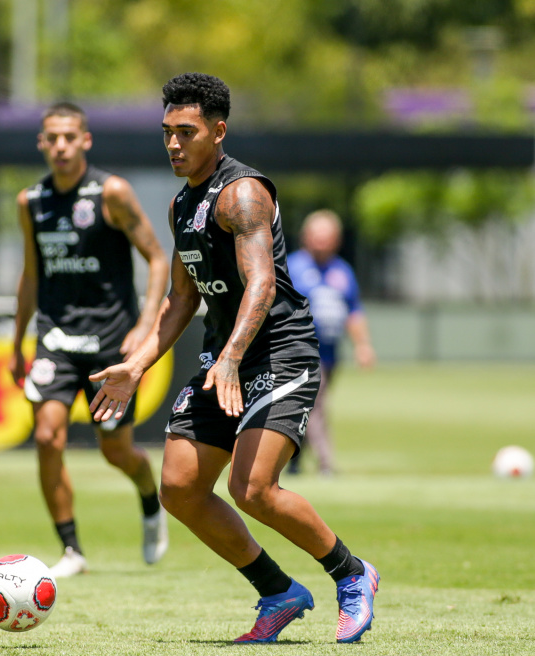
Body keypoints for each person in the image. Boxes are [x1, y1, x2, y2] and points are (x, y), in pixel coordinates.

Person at [88, 73, 379, 643]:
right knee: (179, 488)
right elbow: (180, 298)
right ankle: (277, 591)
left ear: (218, 131)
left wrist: (229, 357)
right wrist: (137, 364)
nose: (173, 144)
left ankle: (352, 575)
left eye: (186, 132)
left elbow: (262, 285)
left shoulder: (242, 192)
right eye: (167, 132)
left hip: (279, 351)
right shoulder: (182, 205)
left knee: (253, 489)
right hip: (224, 359)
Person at [10, 102, 171, 578]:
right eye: (51, 138)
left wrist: (144, 326)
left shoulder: (112, 192)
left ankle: (149, 499)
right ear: (41, 143)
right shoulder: (30, 202)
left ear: (85, 141)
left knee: (115, 452)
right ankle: (71, 551)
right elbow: (31, 275)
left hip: (109, 346)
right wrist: (16, 341)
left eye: (69, 137)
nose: (60, 146)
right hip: (55, 340)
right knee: (46, 436)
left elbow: (158, 258)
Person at [286, 210, 377, 476]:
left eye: (328, 237)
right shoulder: (292, 266)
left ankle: (293, 459)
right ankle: (326, 464)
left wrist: (363, 345)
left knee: (306, 405)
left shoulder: (342, 271)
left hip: (330, 354)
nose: (322, 242)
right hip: (299, 351)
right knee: (316, 405)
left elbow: (354, 311)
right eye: (317, 236)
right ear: (306, 237)